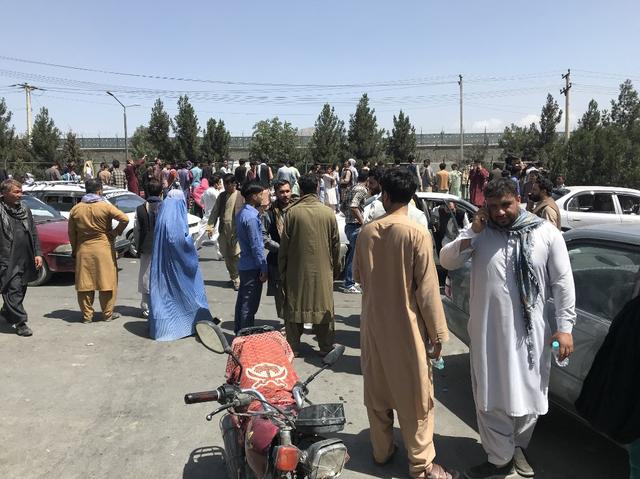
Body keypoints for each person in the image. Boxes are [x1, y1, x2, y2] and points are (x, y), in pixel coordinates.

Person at [440, 178, 576, 479]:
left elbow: (563, 284)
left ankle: (517, 446)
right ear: (484, 206)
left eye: (506, 205)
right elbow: (447, 259)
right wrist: (473, 231)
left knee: (530, 394)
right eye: (493, 206)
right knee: (489, 396)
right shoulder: (479, 234)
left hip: (531, 335)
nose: (500, 212)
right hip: (488, 334)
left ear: (518, 199)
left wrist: (565, 327)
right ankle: (498, 457)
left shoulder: (546, 234)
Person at [353, 168, 458, 479]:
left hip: (373, 326)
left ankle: (381, 451)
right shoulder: (416, 234)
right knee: (415, 398)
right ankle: (421, 465)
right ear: (411, 197)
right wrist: (438, 335)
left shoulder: (367, 232)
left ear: (385, 195)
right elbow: (427, 292)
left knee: (377, 392)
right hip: (407, 330)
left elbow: (359, 277)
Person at [279, 174, 340, 356]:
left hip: (296, 270)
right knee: (323, 306)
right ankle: (325, 347)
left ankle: (293, 348)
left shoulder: (292, 213)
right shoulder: (328, 213)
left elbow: (285, 247)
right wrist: (335, 269)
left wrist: (282, 272)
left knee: (294, 307)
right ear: (316, 189)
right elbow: (335, 245)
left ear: (301, 190)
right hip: (323, 270)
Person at [149, 192, 212, 340]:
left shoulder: (163, 215)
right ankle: (183, 325)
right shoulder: (174, 218)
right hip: (176, 264)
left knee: (164, 295)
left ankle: (162, 327)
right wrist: (190, 243)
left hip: (162, 263)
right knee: (185, 293)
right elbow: (176, 240)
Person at [68, 179, 129, 323]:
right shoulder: (105, 206)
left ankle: (87, 316)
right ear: (99, 190)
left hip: (84, 249)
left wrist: (74, 249)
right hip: (103, 248)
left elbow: (71, 233)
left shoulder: (76, 209)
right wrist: (115, 233)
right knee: (107, 282)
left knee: (84, 284)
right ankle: (107, 314)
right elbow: (124, 219)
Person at [0, 179, 42, 337]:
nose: (20, 195)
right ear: (4, 193)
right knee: (13, 287)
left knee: (21, 287)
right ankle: (20, 322)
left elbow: (33, 232)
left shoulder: (24, 208)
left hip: (25, 256)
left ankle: (6, 311)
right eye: (16, 192)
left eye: (20, 191)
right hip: (6, 257)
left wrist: (38, 253)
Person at [234, 182, 268, 333]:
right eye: (260, 194)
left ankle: (239, 331)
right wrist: (263, 267)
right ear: (254, 196)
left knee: (243, 301)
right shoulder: (252, 217)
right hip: (253, 266)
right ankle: (245, 336)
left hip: (245, 264)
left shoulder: (243, 213)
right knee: (249, 304)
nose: (262, 197)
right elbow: (257, 245)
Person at [133, 180, 163, 318]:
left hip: (146, 248)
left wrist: (139, 247)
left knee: (146, 277)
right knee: (161, 277)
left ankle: (146, 308)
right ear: (161, 192)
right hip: (163, 249)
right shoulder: (165, 207)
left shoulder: (140, 209)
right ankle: (161, 306)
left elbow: (137, 230)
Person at [208, 174, 242, 290]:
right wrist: (210, 226)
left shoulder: (240, 196)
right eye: (225, 183)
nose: (226, 186)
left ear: (235, 184)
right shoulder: (222, 196)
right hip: (223, 231)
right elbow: (215, 212)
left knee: (236, 256)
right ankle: (234, 277)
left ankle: (238, 279)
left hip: (236, 231)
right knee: (227, 256)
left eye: (229, 183)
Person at [264, 180, 291, 319]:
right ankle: (286, 321)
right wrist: (281, 248)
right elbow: (263, 237)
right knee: (280, 293)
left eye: (287, 191)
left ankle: (295, 321)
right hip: (277, 258)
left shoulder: (298, 210)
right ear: (276, 193)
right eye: (281, 192)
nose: (285, 195)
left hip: (297, 258)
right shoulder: (269, 213)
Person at [343, 170, 369, 294]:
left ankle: (350, 281)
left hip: (349, 224)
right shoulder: (362, 190)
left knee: (353, 255)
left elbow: (344, 206)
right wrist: (362, 221)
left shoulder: (352, 188)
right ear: (368, 180)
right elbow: (354, 206)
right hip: (355, 226)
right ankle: (349, 283)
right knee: (354, 256)